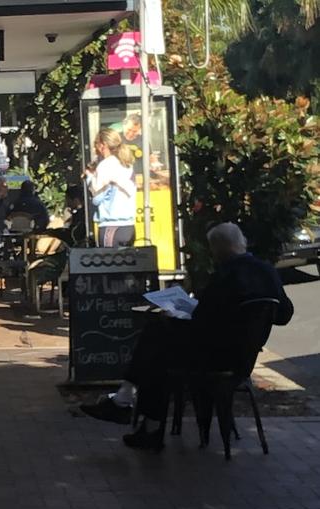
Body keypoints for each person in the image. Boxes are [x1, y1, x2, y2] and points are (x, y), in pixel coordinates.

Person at [81, 223, 294, 450]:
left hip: (215, 358)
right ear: (241, 241)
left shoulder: (224, 276)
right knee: (158, 346)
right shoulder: (267, 271)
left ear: (216, 251)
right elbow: (284, 314)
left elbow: (201, 321)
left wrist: (177, 314)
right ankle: (130, 407)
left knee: (157, 345)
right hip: (244, 359)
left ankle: (142, 419)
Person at [85, 128, 137, 248]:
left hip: (111, 227)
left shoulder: (105, 166)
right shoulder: (126, 164)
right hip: (129, 226)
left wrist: (90, 177)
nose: (95, 150)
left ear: (103, 145)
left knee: (110, 264)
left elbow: (97, 198)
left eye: (96, 146)